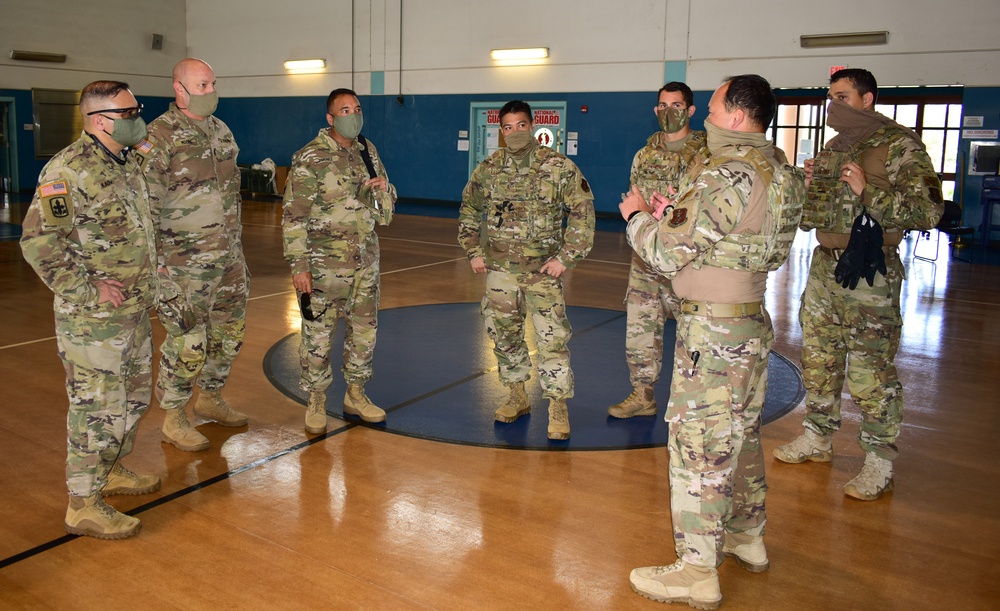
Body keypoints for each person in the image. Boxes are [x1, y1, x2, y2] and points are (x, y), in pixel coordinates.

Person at [619, 74, 805, 608]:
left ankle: (697, 570)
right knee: (742, 436)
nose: (704, 118)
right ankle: (747, 536)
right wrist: (672, 217)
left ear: (737, 117)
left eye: (714, 108)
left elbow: (664, 253)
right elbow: (737, 239)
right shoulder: (780, 170)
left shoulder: (729, 172)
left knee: (699, 446)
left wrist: (637, 218)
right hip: (748, 321)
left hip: (714, 334)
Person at [773, 68, 944, 500]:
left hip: (871, 272)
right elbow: (819, 210)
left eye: (843, 96)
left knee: (871, 372)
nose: (835, 104)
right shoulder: (836, 145)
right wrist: (813, 185)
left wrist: (867, 189)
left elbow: (928, 212)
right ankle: (818, 436)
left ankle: (878, 459)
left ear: (867, 99)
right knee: (819, 360)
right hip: (825, 267)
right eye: (831, 96)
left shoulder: (901, 145)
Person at [21, 80, 161, 539]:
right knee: (96, 408)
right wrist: (87, 289)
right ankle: (82, 502)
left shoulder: (126, 161)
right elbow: (41, 242)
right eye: (130, 112)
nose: (138, 117)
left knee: (134, 398)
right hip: (93, 323)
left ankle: (112, 470)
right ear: (100, 121)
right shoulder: (67, 172)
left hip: (134, 311)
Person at [458, 100, 595, 440]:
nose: (515, 132)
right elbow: (469, 209)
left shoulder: (557, 166)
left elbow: (582, 210)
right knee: (505, 336)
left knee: (552, 339)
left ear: (531, 126)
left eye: (521, 125)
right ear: (500, 131)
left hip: (542, 273)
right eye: (508, 127)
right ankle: (516, 395)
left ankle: (557, 406)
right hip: (501, 271)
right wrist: (474, 250)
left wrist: (566, 257)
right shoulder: (489, 168)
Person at [138, 58, 249, 452]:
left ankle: (211, 397)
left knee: (229, 334)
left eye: (213, 83)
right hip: (183, 262)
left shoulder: (221, 130)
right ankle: (174, 415)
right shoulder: (158, 136)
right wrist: (157, 266)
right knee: (188, 340)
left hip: (228, 256)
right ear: (179, 90)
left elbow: (231, 192)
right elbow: (145, 206)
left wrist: (235, 245)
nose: (211, 91)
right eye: (202, 85)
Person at [282, 88, 396, 433]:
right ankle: (316, 399)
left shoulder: (367, 150)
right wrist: (299, 266)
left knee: (364, 332)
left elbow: (386, 208)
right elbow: (294, 215)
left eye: (357, 108)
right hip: (324, 266)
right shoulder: (310, 157)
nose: (354, 115)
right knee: (318, 335)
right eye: (345, 110)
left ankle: (356, 394)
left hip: (365, 262)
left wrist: (383, 190)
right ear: (330, 119)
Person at [609, 81, 709, 419]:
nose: (669, 112)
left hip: (685, 259)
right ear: (656, 110)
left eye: (677, 105)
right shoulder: (644, 154)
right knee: (641, 325)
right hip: (645, 256)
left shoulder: (706, 155)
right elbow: (634, 197)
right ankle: (642, 393)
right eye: (663, 106)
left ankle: (696, 398)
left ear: (690, 110)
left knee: (694, 328)